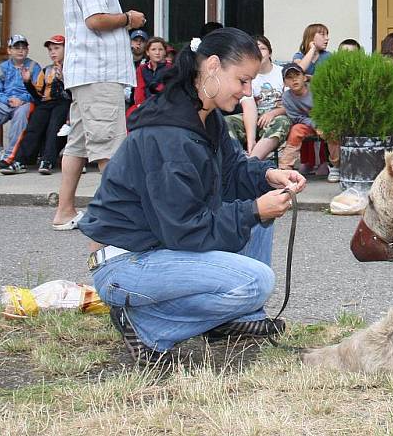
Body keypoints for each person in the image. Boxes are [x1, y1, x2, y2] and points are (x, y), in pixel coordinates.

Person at [79, 28, 305, 364]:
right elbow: (185, 231)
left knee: (260, 217)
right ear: (213, 66)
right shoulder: (169, 135)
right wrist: (255, 210)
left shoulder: (204, 116)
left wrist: (267, 176)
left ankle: (232, 319)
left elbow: (232, 175)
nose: (247, 93)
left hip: (159, 247)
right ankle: (148, 326)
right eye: (242, 81)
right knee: (257, 281)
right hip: (124, 263)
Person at [53, 0, 146, 230]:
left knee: (78, 145)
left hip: (88, 77)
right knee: (110, 148)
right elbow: (96, 20)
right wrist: (129, 19)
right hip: (99, 76)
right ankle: (123, 218)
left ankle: (64, 212)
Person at [0, 35, 69, 175]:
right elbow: (38, 95)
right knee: (34, 126)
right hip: (45, 103)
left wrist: (63, 79)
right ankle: (20, 161)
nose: (53, 52)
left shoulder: (72, 68)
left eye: (56, 48)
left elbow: (73, 93)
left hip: (63, 103)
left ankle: (47, 160)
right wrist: (27, 82)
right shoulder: (47, 70)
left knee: (53, 126)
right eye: (50, 50)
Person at [225, 35, 291, 160]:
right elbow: (249, 108)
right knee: (226, 121)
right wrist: (251, 141)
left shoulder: (282, 73)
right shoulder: (246, 76)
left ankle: (253, 159)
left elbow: (292, 104)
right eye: (254, 49)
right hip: (253, 117)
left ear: (270, 52)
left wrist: (273, 113)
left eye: (262, 48)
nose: (259, 52)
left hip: (278, 116)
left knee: (282, 121)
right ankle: (238, 157)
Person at [277, 62, 340, 182]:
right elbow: (296, 117)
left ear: (304, 77)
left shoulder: (316, 89)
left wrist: (321, 124)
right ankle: (285, 168)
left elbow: (328, 108)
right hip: (307, 124)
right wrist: (314, 124)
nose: (294, 80)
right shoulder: (286, 97)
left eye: (297, 75)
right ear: (285, 83)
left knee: (332, 131)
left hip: (324, 120)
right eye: (289, 78)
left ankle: (335, 165)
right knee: (295, 131)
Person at [0, 34, 42, 170]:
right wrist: (8, 100)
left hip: (25, 103)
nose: (20, 50)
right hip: (6, 101)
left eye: (23, 48)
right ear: (9, 50)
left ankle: (11, 156)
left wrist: (22, 100)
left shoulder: (34, 66)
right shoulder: (2, 67)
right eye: (16, 48)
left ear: (27, 50)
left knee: (21, 116)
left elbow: (38, 91)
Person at [131, 37, 171, 109]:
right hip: (144, 106)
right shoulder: (141, 68)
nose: (157, 53)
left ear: (165, 52)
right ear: (147, 52)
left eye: (160, 49)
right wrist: (141, 105)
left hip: (164, 106)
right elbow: (139, 89)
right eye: (153, 49)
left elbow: (168, 90)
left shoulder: (170, 68)